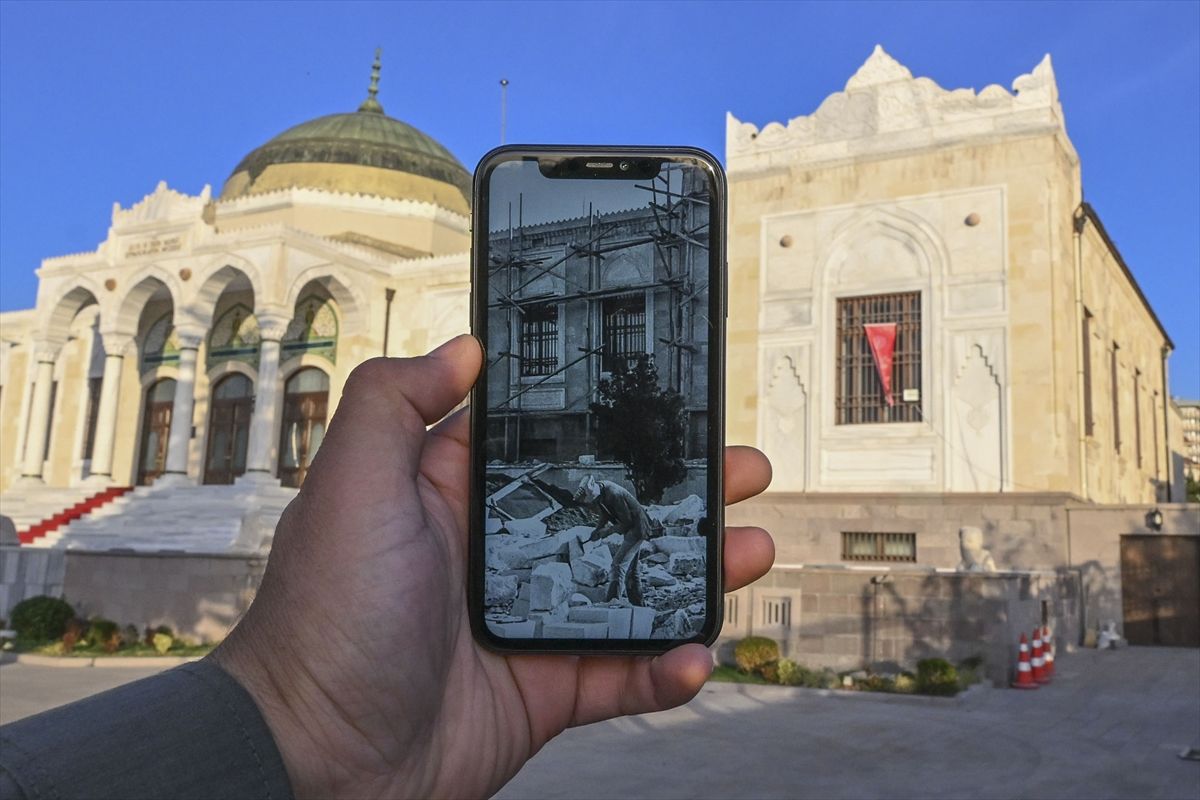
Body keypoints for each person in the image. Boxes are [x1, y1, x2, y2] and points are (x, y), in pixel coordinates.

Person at [0, 336, 774, 800]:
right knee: (616, 571)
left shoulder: (614, 498)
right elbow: (586, 517)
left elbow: (614, 523)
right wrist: (300, 715)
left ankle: (625, 589)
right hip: (612, 536)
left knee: (631, 570)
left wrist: (297, 721)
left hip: (630, 537)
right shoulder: (594, 493)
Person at [573, 475, 654, 602]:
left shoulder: (614, 494)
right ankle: (638, 607)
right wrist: (598, 529)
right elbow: (605, 514)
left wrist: (607, 532)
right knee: (631, 571)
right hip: (632, 527)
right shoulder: (599, 491)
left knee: (618, 565)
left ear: (593, 490)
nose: (592, 504)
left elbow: (626, 522)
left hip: (637, 527)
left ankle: (612, 604)